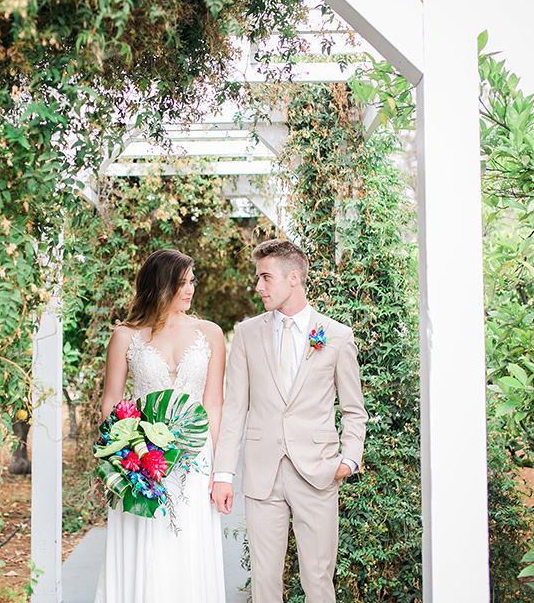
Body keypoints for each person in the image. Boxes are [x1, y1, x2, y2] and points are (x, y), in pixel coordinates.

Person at [211, 239, 367, 603]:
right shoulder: (247, 334)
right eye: (258, 278)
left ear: (293, 277)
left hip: (317, 472)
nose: (258, 286)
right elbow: (234, 408)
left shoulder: (337, 336)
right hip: (263, 474)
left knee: (317, 578)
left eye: (265, 278)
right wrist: (222, 475)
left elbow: (354, 410)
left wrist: (349, 459)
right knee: (265, 581)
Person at [94, 248, 227, 603]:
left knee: (188, 542)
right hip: (140, 458)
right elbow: (111, 400)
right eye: (180, 283)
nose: (189, 290)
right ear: (159, 286)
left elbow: (214, 403)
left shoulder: (211, 333)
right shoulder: (125, 335)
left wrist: (218, 469)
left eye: (191, 282)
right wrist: (127, 448)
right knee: (144, 541)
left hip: (195, 458)